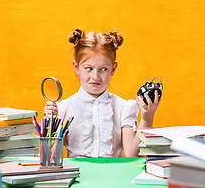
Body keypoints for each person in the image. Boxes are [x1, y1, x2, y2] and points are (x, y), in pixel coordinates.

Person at [44, 28, 160, 157]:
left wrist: (147, 119)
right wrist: (51, 124)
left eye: (103, 69)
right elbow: (52, 157)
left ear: (113, 69)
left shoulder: (123, 107)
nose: (96, 76)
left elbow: (132, 156)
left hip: (114, 174)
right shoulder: (63, 109)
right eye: (89, 68)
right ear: (76, 67)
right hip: (78, 174)